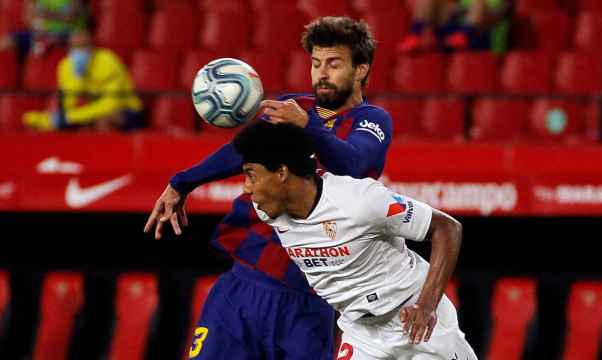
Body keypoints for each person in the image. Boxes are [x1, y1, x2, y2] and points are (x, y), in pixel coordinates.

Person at [144, 16, 393, 359]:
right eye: (316, 63)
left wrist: (308, 127)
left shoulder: (372, 120)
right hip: (245, 285)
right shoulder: (296, 107)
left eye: (334, 64)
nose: (321, 73)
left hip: (310, 301)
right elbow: (240, 150)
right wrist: (181, 183)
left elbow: (352, 165)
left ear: (361, 70)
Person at [233, 120, 477, 360]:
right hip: (361, 334)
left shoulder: (360, 202)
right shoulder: (269, 211)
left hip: (415, 320)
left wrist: (426, 306)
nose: (246, 188)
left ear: (282, 173)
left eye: (251, 175)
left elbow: (447, 229)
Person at [23, 30, 143, 131]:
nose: (78, 51)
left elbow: (110, 105)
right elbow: (69, 103)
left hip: (126, 111)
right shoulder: (65, 66)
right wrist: (78, 77)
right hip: (85, 111)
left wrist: (72, 117)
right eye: (74, 47)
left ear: (92, 47)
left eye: (83, 46)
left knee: (103, 121)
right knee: (35, 123)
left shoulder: (108, 61)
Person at [397, 0, 510, 54]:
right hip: (452, 33)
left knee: (479, 5)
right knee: (428, 1)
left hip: (481, 37)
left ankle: (463, 36)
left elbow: (501, 14)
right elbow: (454, 9)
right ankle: (414, 36)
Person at [0, 0, 88, 60]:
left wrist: (44, 13)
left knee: (79, 40)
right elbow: (28, 18)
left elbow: (70, 17)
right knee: (6, 42)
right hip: (41, 33)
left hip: (67, 33)